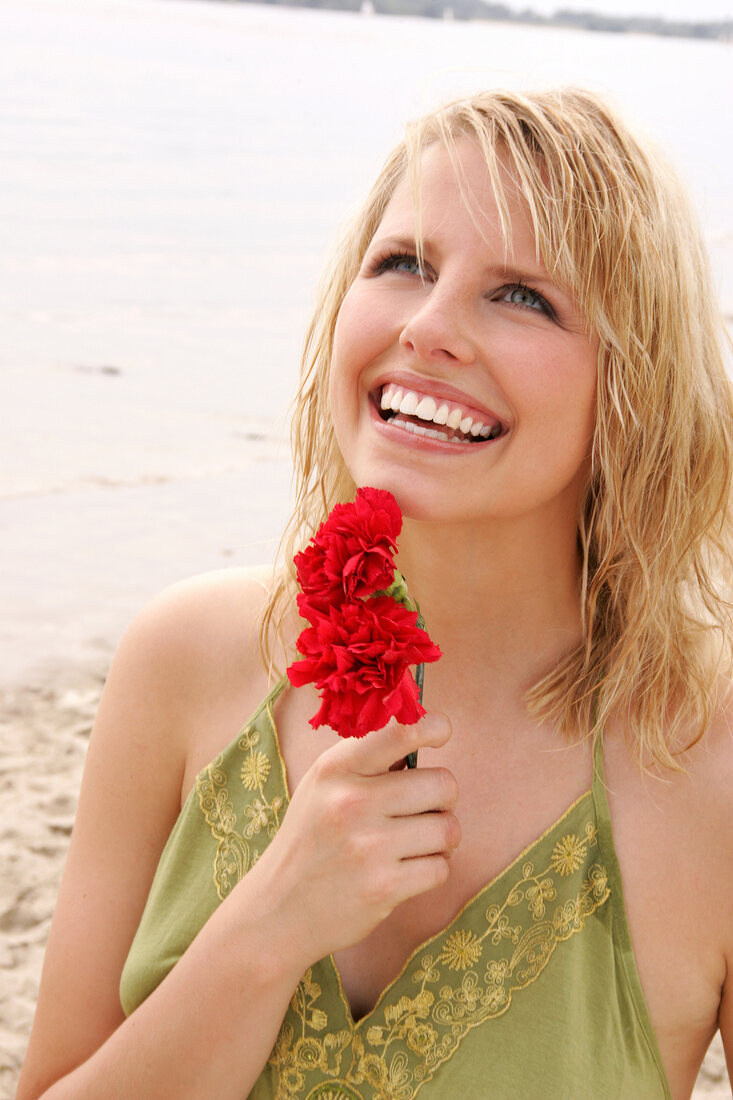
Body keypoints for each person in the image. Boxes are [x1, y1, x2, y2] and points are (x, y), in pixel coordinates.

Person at [16, 88, 733, 1100]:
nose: (429, 327)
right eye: (404, 265)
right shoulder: (186, 658)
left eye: (523, 294)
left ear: (634, 383)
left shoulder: (707, 764)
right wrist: (270, 923)